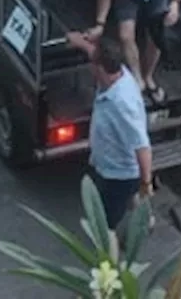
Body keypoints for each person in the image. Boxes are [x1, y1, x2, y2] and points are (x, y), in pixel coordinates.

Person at [65, 30, 152, 231]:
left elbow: (142, 145)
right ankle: (145, 221)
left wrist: (146, 183)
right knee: (130, 199)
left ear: (100, 69)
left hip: (119, 174)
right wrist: (80, 43)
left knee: (105, 226)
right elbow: (97, 54)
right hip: (120, 169)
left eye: (93, 64)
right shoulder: (117, 71)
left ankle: (109, 259)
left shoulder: (122, 104)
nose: (90, 67)